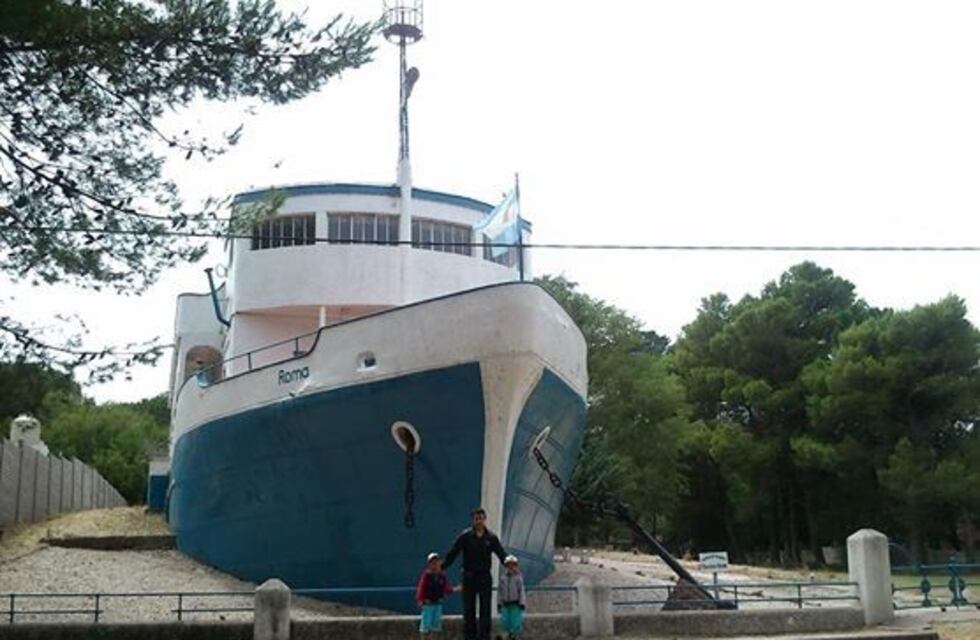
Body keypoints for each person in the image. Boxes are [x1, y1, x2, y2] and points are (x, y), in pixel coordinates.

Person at [443, 507, 508, 640]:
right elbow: (453, 552)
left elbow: (501, 554)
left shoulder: (491, 537)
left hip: (484, 576)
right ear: (473, 520)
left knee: (485, 609)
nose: (478, 521)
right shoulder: (465, 536)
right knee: (469, 609)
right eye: (476, 519)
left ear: (485, 519)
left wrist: (510, 566)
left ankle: (484, 636)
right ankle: (469, 636)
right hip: (469, 576)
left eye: (481, 518)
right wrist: (442, 567)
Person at [415, 552, 457, 638]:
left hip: (438, 603)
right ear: (429, 564)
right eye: (432, 562)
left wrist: (456, 589)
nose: (435, 564)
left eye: (436, 561)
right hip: (428, 604)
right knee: (426, 626)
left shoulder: (442, 576)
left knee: (435, 627)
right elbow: (421, 587)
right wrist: (420, 599)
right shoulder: (426, 575)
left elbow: (446, 589)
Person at [498, 555, 526, 640]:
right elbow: (500, 592)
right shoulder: (503, 578)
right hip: (505, 603)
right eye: (508, 565)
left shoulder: (518, 578)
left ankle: (515, 636)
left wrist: (522, 603)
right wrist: (499, 603)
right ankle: (506, 635)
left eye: (512, 565)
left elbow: (521, 591)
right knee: (505, 621)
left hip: (515, 603)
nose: (510, 567)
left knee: (516, 622)